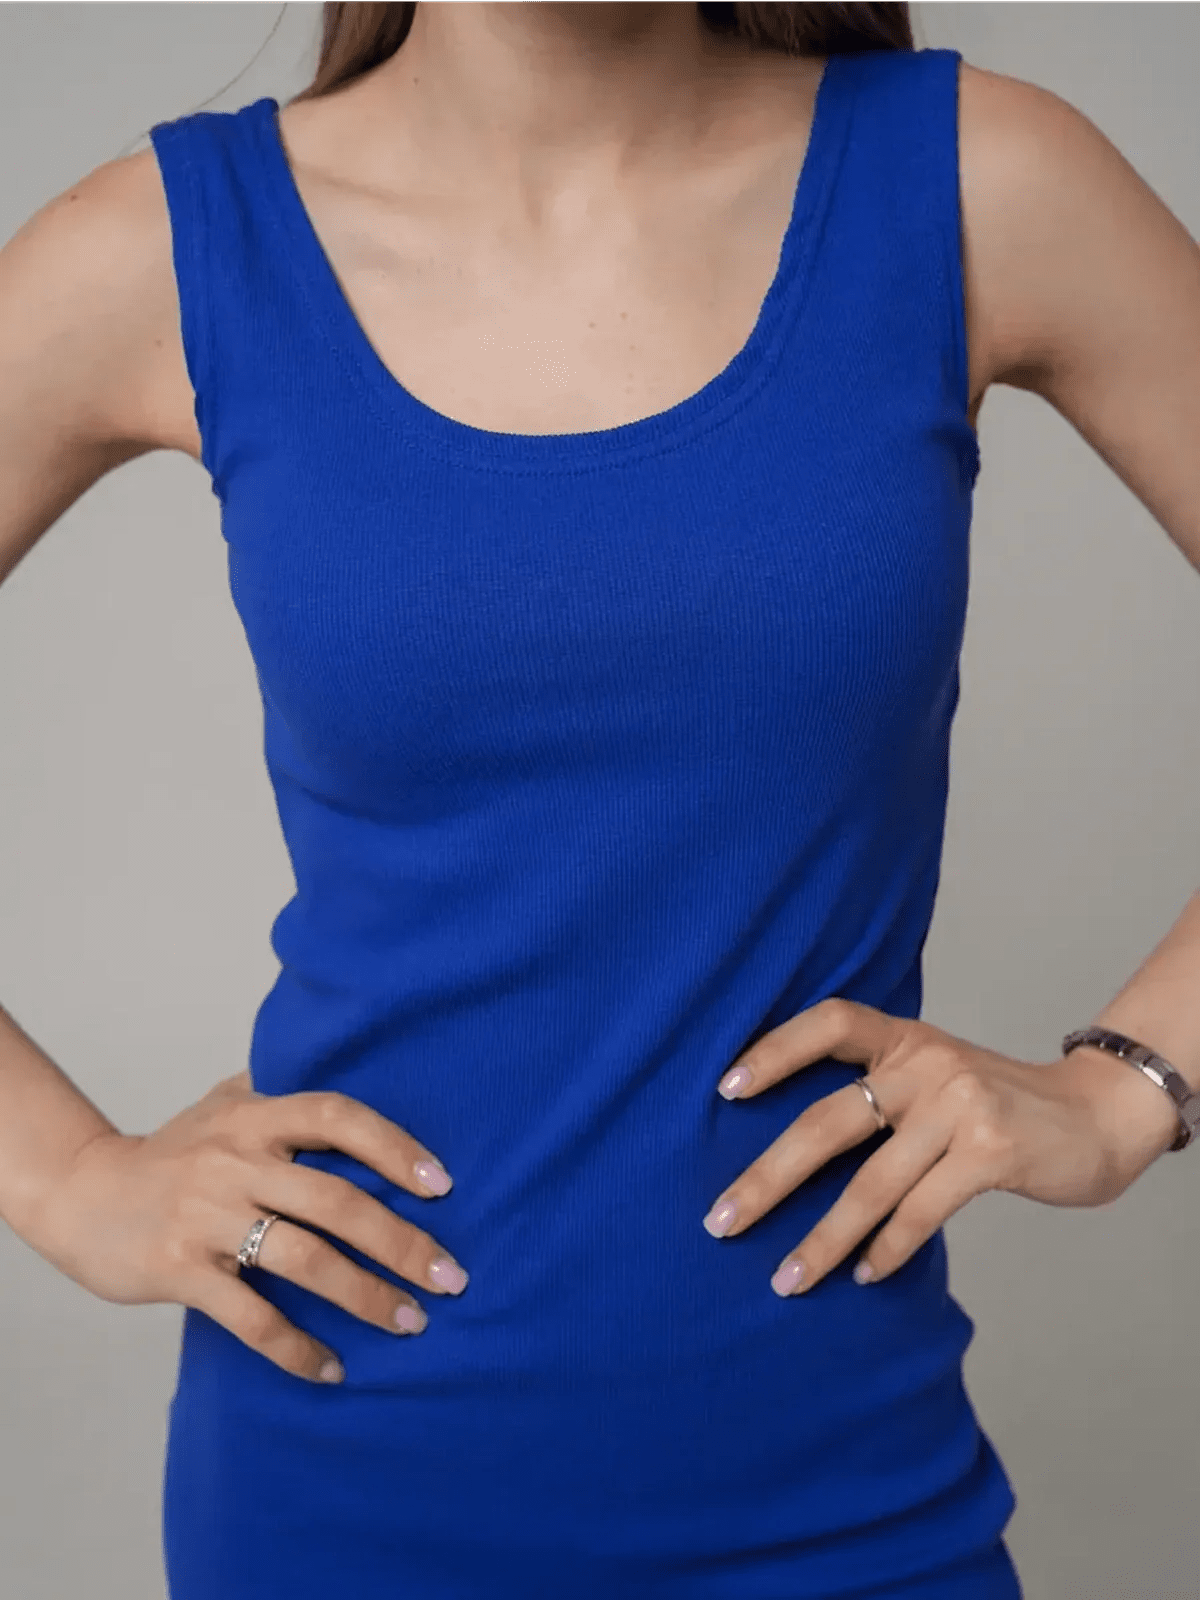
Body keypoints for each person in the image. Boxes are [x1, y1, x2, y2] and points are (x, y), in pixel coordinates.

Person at [1, 2, 1198, 1595]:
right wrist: (67, 1179)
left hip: (847, 1494)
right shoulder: (171, 243)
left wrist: (1133, 1088)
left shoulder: (976, 179)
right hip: (342, 1483)